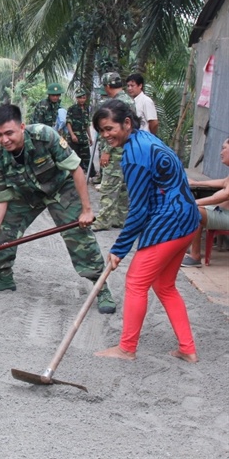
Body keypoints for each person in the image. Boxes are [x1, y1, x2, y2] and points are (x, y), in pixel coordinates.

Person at [0, 104, 115, 314]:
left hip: (60, 187)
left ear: (22, 127)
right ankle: (3, 278)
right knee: (4, 231)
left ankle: (101, 287)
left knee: (79, 235)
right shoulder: (0, 159)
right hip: (28, 193)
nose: (4, 140)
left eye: (9, 133)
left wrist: (86, 209)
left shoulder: (45, 135)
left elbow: (76, 170)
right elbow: (0, 199)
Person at [94, 100, 200, 362]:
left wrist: (119, 248)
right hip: (188, 218)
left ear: (127, 123)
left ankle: (126, 348)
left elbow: (139, 210)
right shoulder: (146, 139)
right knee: (164, 285)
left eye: (110, 128)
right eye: (102, 131)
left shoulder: (135, 156)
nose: (107, 135)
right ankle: (187, 349)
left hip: (171, 222)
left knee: (136, 282)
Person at [92, 72, 136, 232]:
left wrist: (106, 151)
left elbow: (113, 133)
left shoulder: (114, 105)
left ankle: (103, 220)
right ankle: (121, 218)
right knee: (123, 186)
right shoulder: (129, 101)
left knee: (109, 185)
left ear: (107, 86)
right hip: (127, 150)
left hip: (115, 150)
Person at [181, 137, 229, 267]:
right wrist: (197, 183)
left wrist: (196, 203)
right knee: (192, 206)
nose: (221, 152)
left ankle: (195, 256)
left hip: (226, 216)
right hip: (221, 211)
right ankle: (184, 249)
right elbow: (222, 182)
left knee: (193, 210)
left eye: (224, 148)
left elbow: (225, 194)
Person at [65, 88, 95, 177]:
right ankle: (73, 176)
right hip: (74, 138)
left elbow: (86, 125)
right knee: (74, 157)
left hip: (83, 137)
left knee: (87, 157)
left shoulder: (86, 109)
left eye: (83, 97)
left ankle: (91, 174)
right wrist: (72, 134)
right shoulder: (72, 109)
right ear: (77, 98)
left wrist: (90, 137)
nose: (82, 99)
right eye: (80, 98)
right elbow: (68, 122)